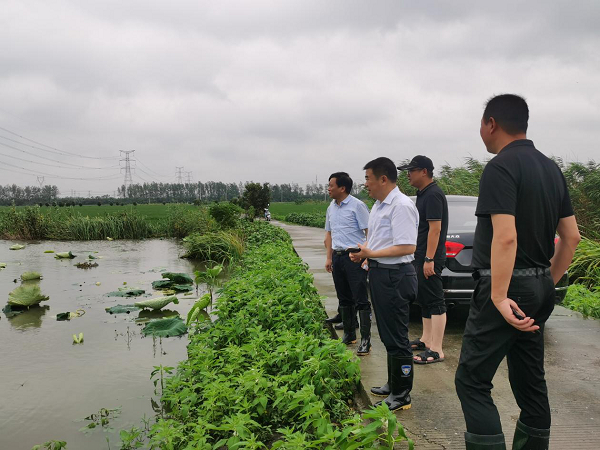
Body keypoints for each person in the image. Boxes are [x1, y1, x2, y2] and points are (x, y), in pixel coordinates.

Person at [454, 94, 581, 449]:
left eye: (481, 124)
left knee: (472, 381)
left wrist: (498, 294)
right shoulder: (550, 168)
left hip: (507, 290)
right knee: (530, 382)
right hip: (540, 285)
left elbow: (506, 238)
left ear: (491, 123)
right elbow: (571, 237)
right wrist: (545, 283)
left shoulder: (500, 168)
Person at [350, 157, 419, 411]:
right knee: (388, 334)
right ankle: (393, 383)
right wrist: (364, 252)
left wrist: (371, 254)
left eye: (368, 178)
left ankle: (402, 394)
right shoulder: (379, 206)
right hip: (381, 274)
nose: (365, 184)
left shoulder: (400, 206)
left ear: (383, 179)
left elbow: (407, 246)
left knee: (398, 336)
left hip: (396, 277)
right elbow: (380, 242)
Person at [398, 155, 448, 364]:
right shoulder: (423, 194)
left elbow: (435, 230)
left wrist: (429, 258)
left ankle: (437, 349)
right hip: (420, 256)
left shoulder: (434, 194)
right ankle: (427, 340)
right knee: (425, 298)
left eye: (412, 170)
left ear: (424, 171)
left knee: (435, 300)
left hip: (430, 257)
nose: (408, 175)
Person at [323, 172, 372, 354]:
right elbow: (329, 234)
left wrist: (367, 255)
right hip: (338, 256)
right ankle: (350, 335)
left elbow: (370, 232)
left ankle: (366, 339)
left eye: (331, 185)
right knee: (344, 298)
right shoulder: (331, 207)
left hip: (355, 256)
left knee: (360, 298)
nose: (328, 189)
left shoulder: (357, 206)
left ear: (342, 188)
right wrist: (329, 257)